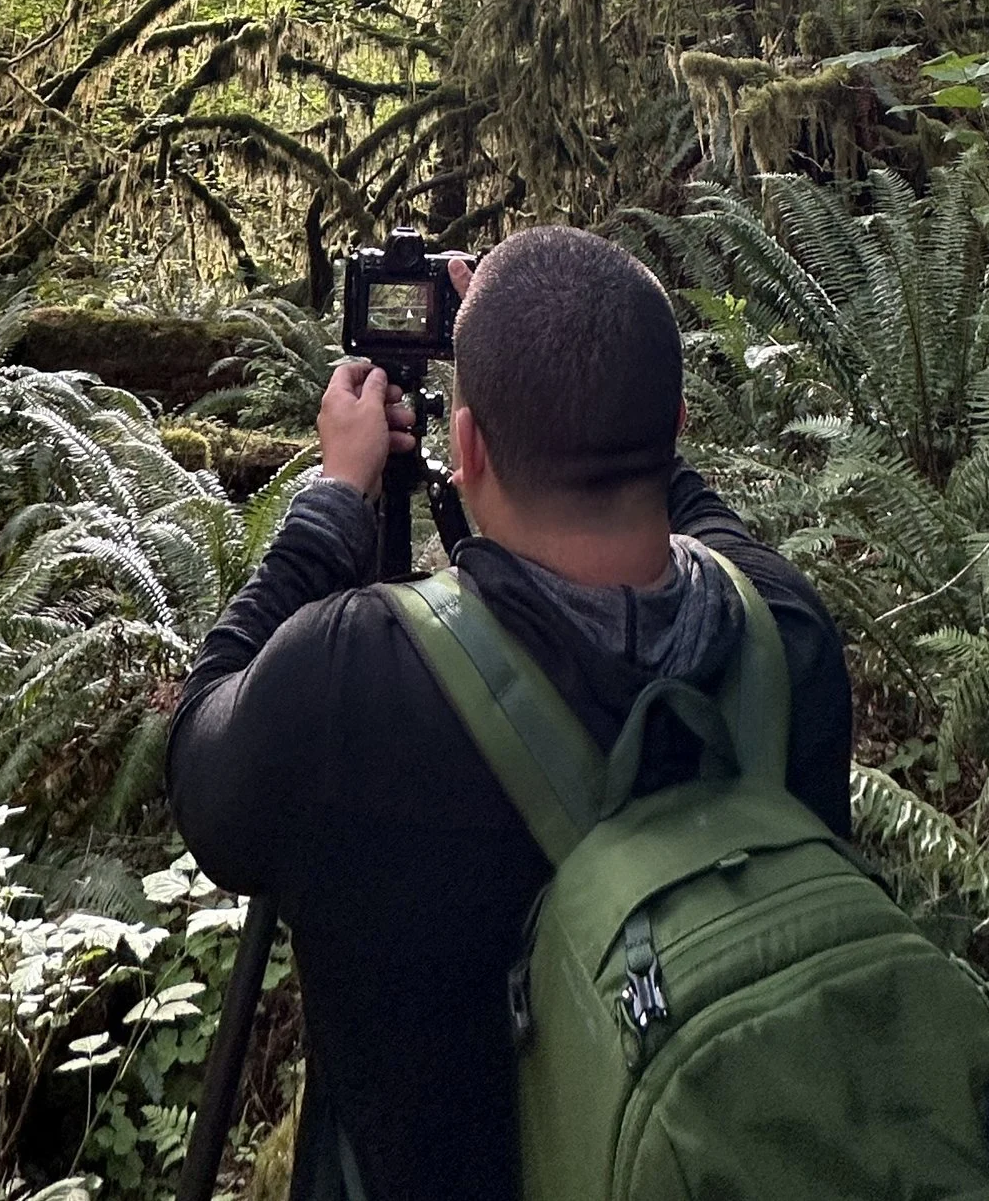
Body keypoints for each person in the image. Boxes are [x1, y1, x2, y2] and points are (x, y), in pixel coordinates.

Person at [167, 226, 853, 1201]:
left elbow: (197, 756)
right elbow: (695, 513)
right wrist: (568, 340)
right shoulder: (785, 639)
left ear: (467, 446)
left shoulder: (350, 680)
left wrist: (332, 499)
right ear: (679, 422)